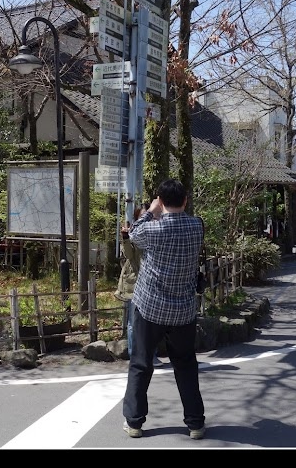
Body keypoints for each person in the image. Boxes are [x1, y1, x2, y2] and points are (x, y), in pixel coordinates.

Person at [121, 179, 206, 440]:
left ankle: (135, 422)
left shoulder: (153, 230)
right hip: (183, 310)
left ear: (160, 199)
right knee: (186, 365)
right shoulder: (197, 226)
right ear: (185, 200)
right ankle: (195, 424)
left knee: (141, 363)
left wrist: (151, 210)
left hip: (150, 307)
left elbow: (133, 233)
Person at [115, 206, 162, 366]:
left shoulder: (156, 233)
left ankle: (151, 355)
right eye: (144, 217)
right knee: (133, 322)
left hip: (152, 284)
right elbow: (129, 254)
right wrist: (125, 237)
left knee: (152, 322)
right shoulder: (133, 235)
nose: (149, 219)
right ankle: (134, 354)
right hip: (134, 284)